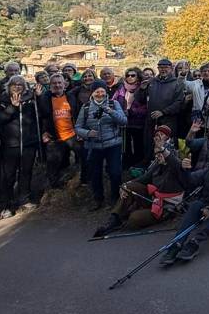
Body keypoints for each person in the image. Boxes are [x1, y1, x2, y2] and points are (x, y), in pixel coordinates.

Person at [94, 125, 186, 237]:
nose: (158, 137)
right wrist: (124, 185)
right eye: (156, 135)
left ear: (168, 138)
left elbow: (175, 164)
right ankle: (114, 219)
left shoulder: (174, 156)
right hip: (155, 197)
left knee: (134, 219)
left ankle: (128, 216)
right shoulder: (156, 157)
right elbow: (145, 177)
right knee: (128, 187)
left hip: (167, 205)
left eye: (162, 135)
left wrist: (164, 153)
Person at [0, 75, 43, 215]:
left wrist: (39, 98)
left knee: (26, 172)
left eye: (20, 84)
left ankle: (24, 199)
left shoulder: (31, 100)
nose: (17, 86)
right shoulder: (0, 101)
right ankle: (5, 204)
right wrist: (11, 108)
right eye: (14, 84)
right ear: (9, 86)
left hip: (28, 143)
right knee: (8, 175)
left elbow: (42, 114)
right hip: (9, 145)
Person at [75, 82, 127, 210]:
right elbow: (77, 127)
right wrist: (87, 133)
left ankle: (115, 199)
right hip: (93, 146)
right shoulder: (86, 107)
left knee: (115, 172)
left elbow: (124, 121)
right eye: (97, 92)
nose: (100, 94)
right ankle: (98, 200)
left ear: (106, 92)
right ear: (92, 93)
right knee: (95, 174)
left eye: (102, 91)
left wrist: (111, 112)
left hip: (113, 144)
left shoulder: (113, 104)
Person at [38, 73, 81, 188]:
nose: (57, 85)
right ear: (50, 85)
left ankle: (79, 181)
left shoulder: (70, 97)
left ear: (64, 84)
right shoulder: (45, 98)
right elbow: (41, 117)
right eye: (54, 83)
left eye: (59, 82)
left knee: (83, 155)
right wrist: (44, 132)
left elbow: (76, 114)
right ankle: (53, 189)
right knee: (54, 164)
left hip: (71, 134)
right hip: (54, 136)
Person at [143, 58, 189, 160]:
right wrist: (141, 89)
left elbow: (179, 103)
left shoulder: (177, 83)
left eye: (166, 67)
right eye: (160, 67)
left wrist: (163, 112)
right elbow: (140, 99)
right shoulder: (151, 81)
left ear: (171, 69)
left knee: (166, 145)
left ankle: (166, 168)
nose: (163, 70)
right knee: (150, 144)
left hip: (168, 121)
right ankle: (150, 166)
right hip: (151, 120)